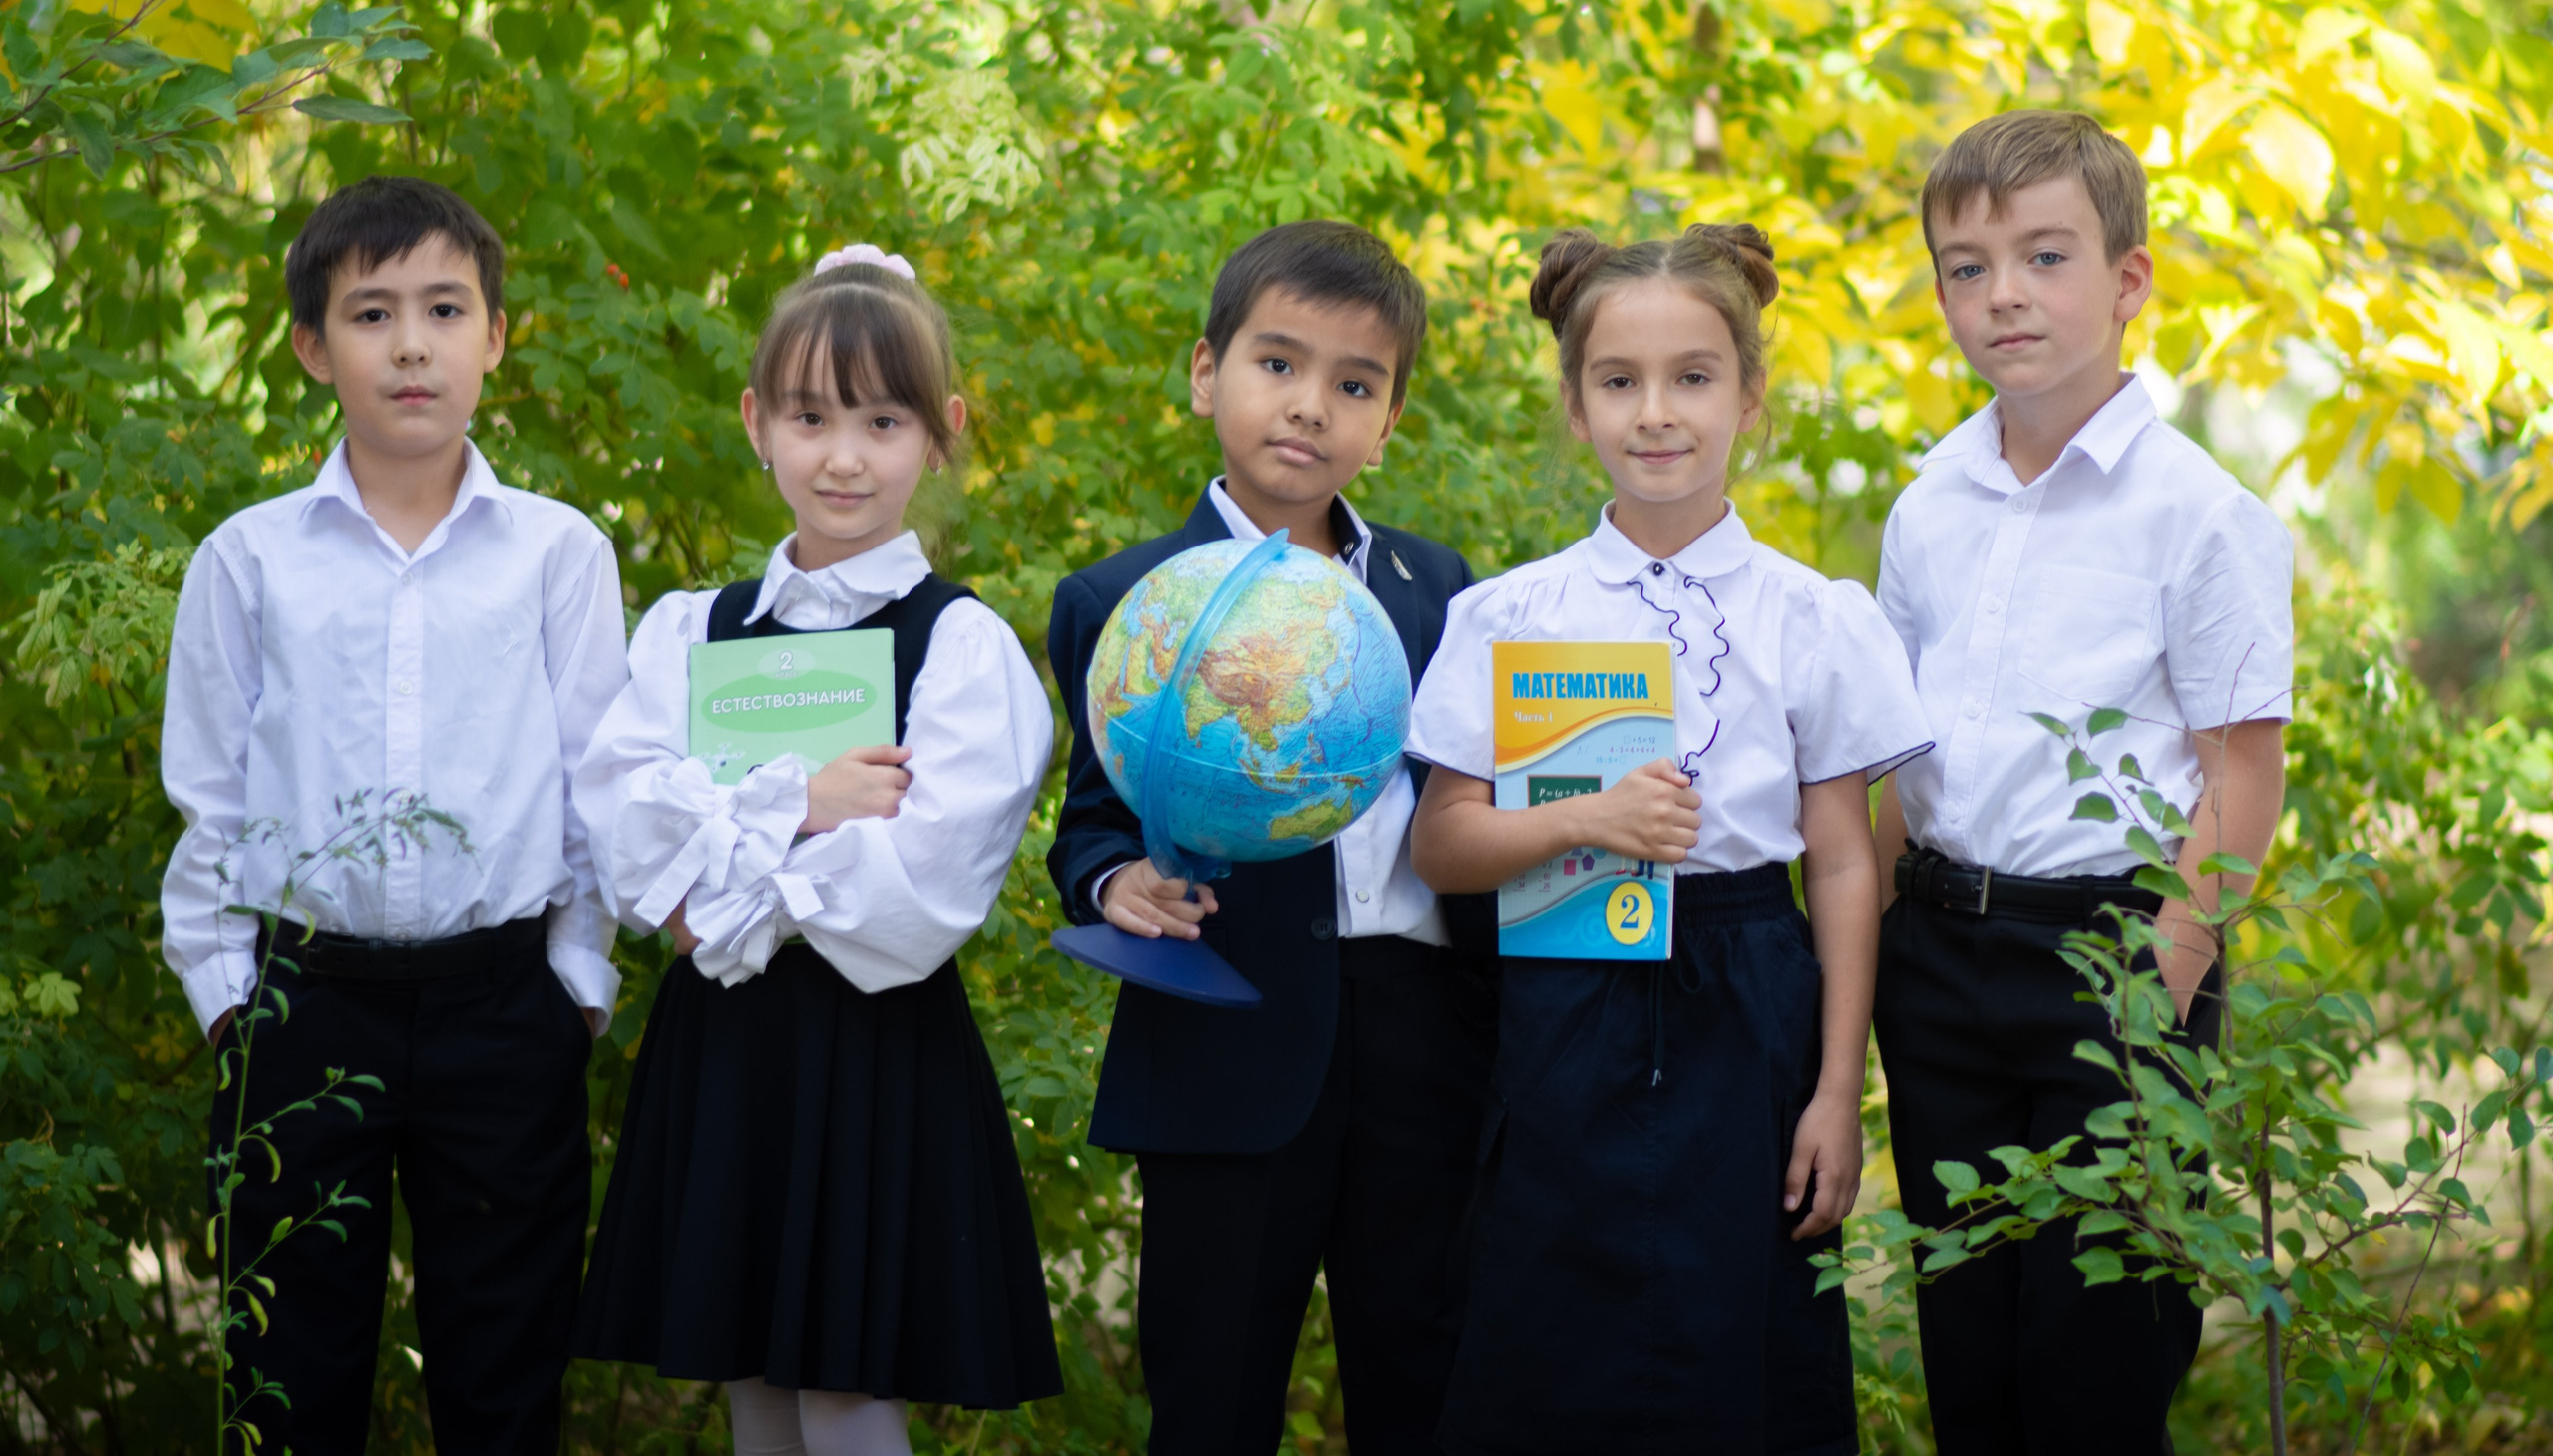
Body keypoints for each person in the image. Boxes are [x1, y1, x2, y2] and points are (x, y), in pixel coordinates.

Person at [1404, 222, 1931, 1456]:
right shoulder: (1508, 615)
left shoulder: (1812, 616)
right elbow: (1440, 845)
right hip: (1562, 993)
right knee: (1551, 1337)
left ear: (1749, 396)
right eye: (1618, 381)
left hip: (1750, 998)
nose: (1656, 413)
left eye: (1692, 377)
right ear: (1573, 405)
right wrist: (1584, 818)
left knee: (1737, 1337)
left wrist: (1836, 1093)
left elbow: (1842, 861)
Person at [160, 176, 628, 1453]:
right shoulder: (250, 558)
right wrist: (227, 1000)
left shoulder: (559, 554)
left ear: (495, 337)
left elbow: (596, 784)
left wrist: (576, 982)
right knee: (290, 1376)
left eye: (444, 309)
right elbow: (209, 795)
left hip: (506, 1009)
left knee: (505, 1376)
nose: (411, 345)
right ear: (315, 348)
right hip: (303, 1008)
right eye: (371, 314)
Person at [570, 246, 1060, 1456]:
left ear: (940, 434)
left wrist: (722, 850)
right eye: (809, 417)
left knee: (847, 1398)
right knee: (755, 1390)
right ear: (756, 423)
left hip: (875, 1046)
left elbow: (921, 883)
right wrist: (804, 803)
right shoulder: (692, 630)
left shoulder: (963, 648)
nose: (843, 456)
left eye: (881, 421)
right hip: (727, 1051)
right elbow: (631, 836)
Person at [1872, 109, 2293, 1455]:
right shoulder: (1926, 504)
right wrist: (1875, 943)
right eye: (1967, 267)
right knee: (1970, 1356)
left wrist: (2159, 991)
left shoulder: (2199, 513)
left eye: (2045, 257)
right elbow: (1897, 755)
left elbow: (2241, 768)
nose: (2002, 294)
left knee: (2096, 1366)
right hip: (1938, 959)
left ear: (2127, 280)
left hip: (2117, 961)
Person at [1045, 220, 1490, 1455]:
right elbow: (1089, 825)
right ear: (1207, 373)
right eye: (1278, 364)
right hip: (1226, 1042)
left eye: (1355, 385)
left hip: (1423, 1045)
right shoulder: (1124, 601)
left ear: (1387, 422)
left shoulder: (1441, 589)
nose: (1309, 406)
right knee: (1212, 1396)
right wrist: (1114, 881)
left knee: (1426, 1380)